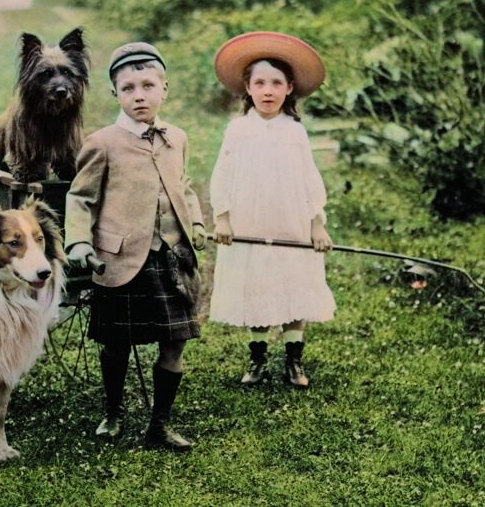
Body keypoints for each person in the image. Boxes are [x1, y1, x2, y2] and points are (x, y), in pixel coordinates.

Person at [65, 42, 207, 452]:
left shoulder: (176, 137)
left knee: (175, 341)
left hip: (171, 256)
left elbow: (183, 187)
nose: (139, 95)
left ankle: (159, 424)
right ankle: (112, 411)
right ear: (115, 95)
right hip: (122, 258)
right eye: (128, 88)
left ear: (165, 88)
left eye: (148, 85)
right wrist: (78, 240)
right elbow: (80, 198)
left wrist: (195, 221)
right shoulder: (103, 142)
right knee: (117, 342)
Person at [208, 31, 336, 388]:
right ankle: (258, 357)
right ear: (247, 88)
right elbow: (225, 173)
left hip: (290, 222)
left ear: (289, 88)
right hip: (251, 220)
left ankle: (294, 361)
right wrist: (223, 217)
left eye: (276, 83)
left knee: (292, 283)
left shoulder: (295, 132)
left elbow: (309, 180)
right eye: (259, 82)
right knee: (258, 285)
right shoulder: (238, 130)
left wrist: (316, 224)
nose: (268, 90)